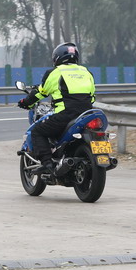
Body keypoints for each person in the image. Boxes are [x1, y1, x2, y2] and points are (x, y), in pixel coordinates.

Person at [18, 42, 96, 175]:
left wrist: (25, 102)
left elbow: (41, 93)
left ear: (57, 57)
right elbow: (92, 97)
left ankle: (47, 164)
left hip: (65, 115)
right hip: (86, 115)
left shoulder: (55, 72)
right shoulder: (86, 72)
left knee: (37, 131)